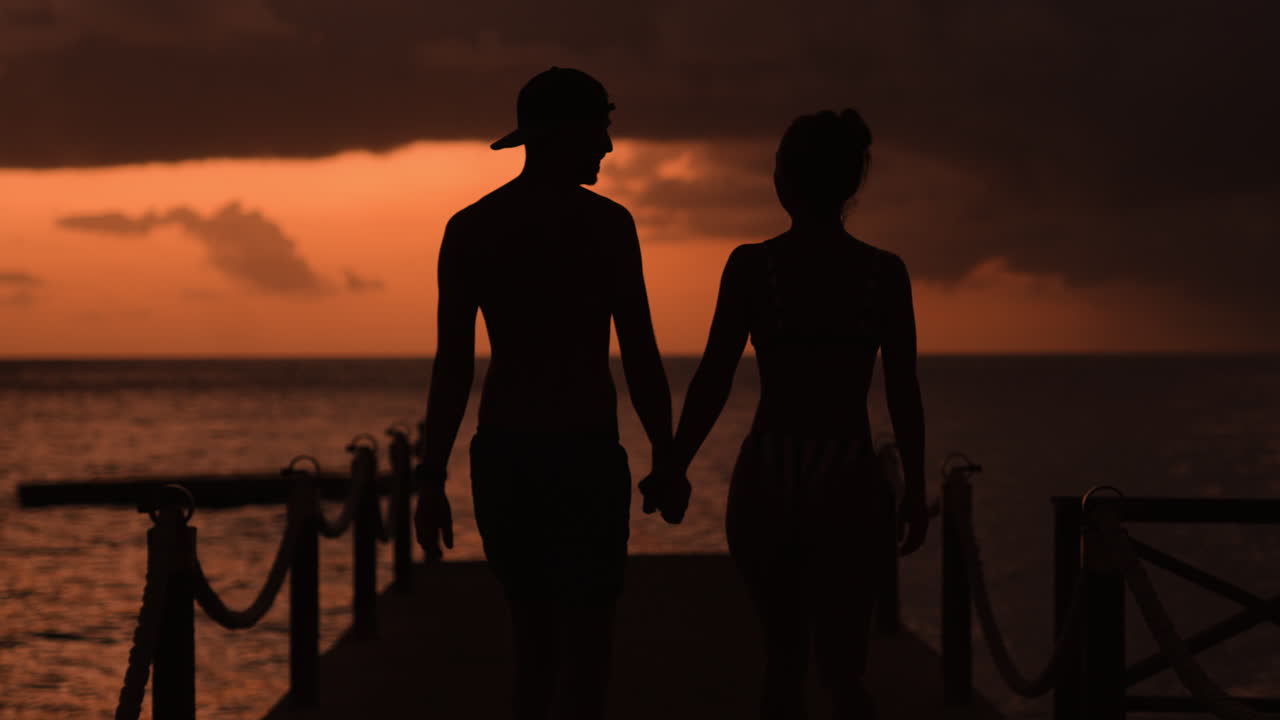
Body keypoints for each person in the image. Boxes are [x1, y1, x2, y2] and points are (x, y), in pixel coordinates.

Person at [646, 109, 928, 719]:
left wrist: (674, 463)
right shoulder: (884, 274)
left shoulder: (752, 266)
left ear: (785, 181)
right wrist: (917, 489)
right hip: (849, 475)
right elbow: (902, 390)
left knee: (782, 660)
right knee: (844, 669)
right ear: (851, 184)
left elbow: (714, 378)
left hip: (770, 471)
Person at [413, 67, 674, 720]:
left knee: (534, 646)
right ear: (565, 136)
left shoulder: (472, 227)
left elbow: (454, 367)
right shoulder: (610, 227)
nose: (609, 149)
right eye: (601, 132)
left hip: (507, 454)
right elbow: (639, 354)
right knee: (588, 648)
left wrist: (431, 475)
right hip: (586, 451)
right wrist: (666, 456)